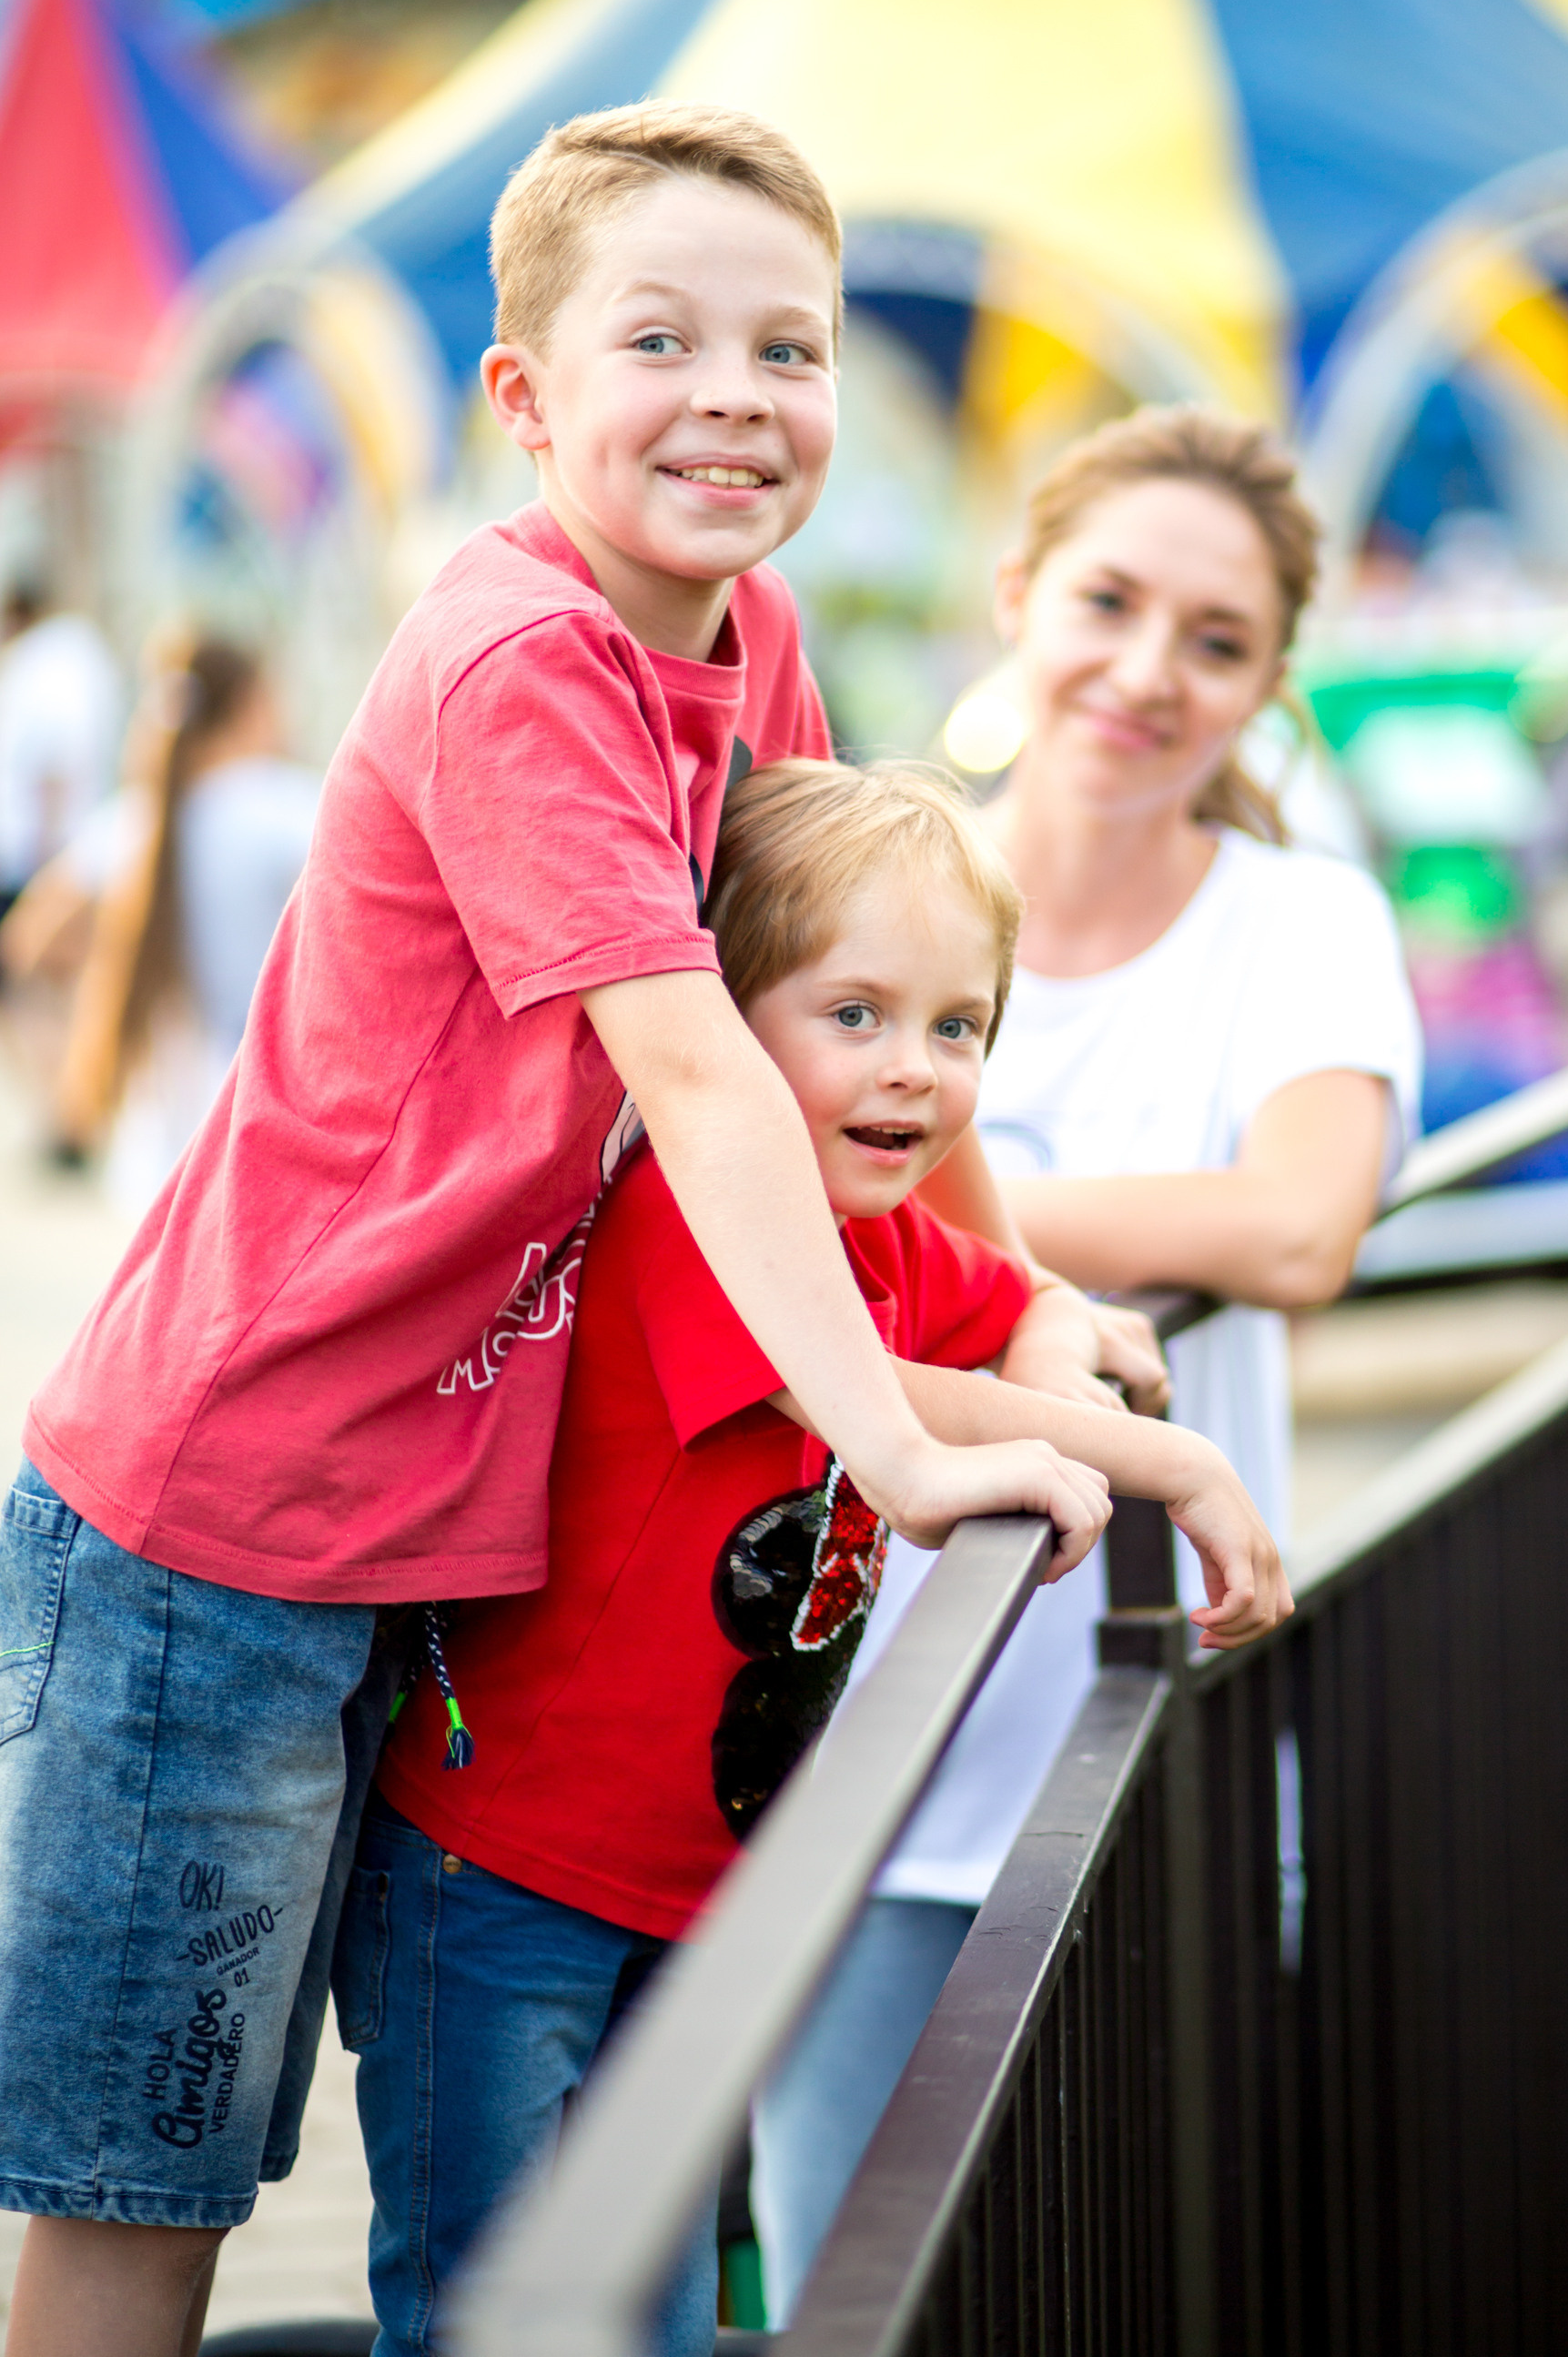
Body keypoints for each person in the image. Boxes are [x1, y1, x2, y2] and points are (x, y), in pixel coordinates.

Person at [0, 105, 1142, 2357]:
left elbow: (851, 996)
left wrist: (1021, 1306)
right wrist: (910, 1450)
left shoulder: (752, 630)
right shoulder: (520, 657)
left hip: (437, 1543)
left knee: (434, 2134)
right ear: (523, 397)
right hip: (220, 1524)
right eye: (662, 338)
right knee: (149, 2177)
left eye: (788, 347)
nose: (736, 391)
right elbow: (702, 1067)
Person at [334, 756, 1289, 2357]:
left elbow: (1009, 1299)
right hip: (495, 1874)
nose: (912, 1072)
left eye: (957, 1026)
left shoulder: (888, 1229)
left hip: (697, 1883)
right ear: (721, 1022)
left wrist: (1057, 1340)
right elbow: (884, 1386)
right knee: (493, 2304)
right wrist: (1170, 1459)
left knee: (666, 2301)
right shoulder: (699, 1215)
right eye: (853, 1016)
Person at [754, 406, 1422, 2316]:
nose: (1146, 671)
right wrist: (1048, 1256)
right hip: (854, 1736)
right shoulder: (867, 889)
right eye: (1107, 603)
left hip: (1137, 1731)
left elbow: (1298, 1226)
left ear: (1268, 680)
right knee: (852, 2291)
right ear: (1015, 599)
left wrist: (934, 1240)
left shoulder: (1296, 924)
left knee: (1138, 2272)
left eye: (1213, 639)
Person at [3, 634, 320, 1209]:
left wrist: (115, 954)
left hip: (154, 1146)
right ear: (252, 705)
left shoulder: (134, 822)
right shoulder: (281, 807)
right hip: (262, 1126)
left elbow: (28, 940)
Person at [0, 581, 121, 920]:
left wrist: (42, 876)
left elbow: (51, 770)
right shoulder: (81, 652)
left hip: (37, 860)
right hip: (71, 851)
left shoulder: (43, 661)